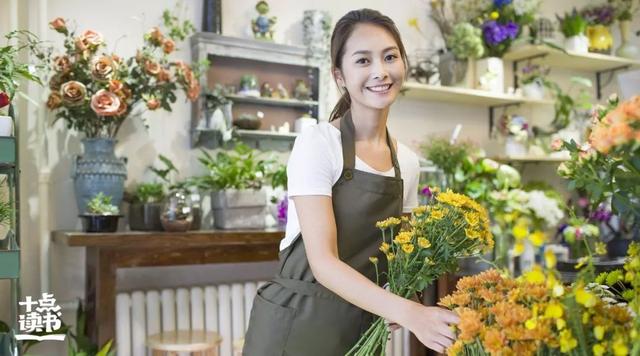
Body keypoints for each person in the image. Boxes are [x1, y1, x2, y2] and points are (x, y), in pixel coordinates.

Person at [243, 8, 459, 356]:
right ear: (339, 76)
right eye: (363, 60)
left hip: (358, 330)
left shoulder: (406, 162)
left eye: (390, 57)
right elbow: (323, 262)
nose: (380, 71)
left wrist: (406, 292)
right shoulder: (318, 144)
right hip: (296, 328)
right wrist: (410, 313)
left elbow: (399, 254)